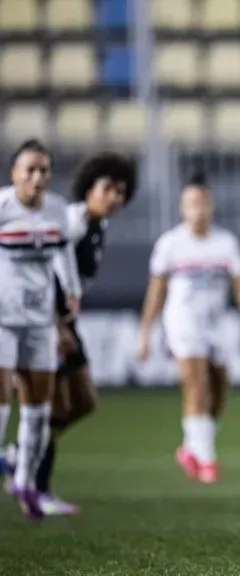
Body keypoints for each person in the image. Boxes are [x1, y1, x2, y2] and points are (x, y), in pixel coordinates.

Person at [136, 172, 240, 484]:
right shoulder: (170, 244)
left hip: (215, 323)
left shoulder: (225, 243)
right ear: (182, 208)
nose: (199, 208)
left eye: (203, 202)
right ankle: (206, 459)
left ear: (211, 205)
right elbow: (156, 291)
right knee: (197, 384)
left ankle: (192, 446)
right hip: (183, 322)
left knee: (219, 388)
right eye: (192, 203)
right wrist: (146, 332)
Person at [31, 153, 136, 515]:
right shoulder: (71, 222)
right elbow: (42, 273)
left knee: (84, 402)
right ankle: (38, 490)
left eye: (121, 192)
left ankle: (18, 458)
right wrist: (54, 325)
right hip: (45, 320)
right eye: (108, 189)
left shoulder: (96, 225)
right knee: (53, 404)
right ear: (89, 188)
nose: (114, 198)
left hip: (65, 321)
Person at [0, 139, 82, 519]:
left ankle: (25, 483)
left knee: (38, 409)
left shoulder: (57, 210)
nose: (37, 177)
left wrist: (72, 290)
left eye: (44, 170)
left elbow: (63, 252)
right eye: (30, 170)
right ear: (14, 173)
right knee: (2, 404)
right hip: (2, 319)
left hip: (38, 320)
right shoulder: (3, 206)